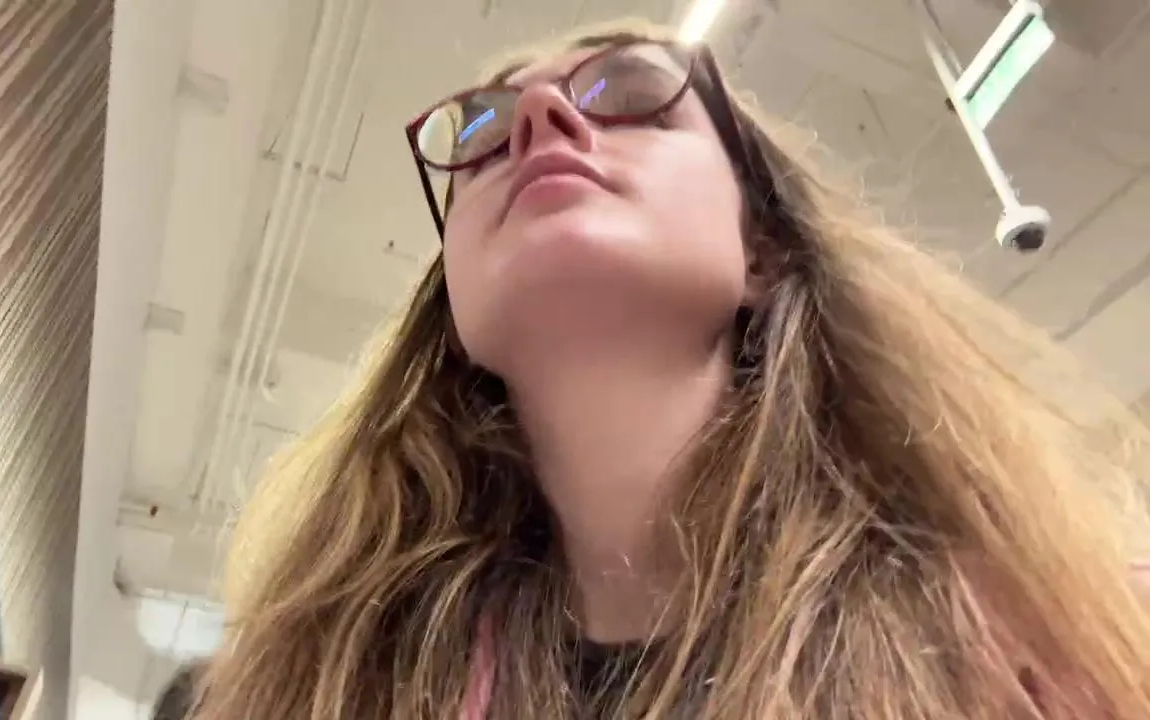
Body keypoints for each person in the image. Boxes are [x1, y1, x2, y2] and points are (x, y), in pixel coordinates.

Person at [194, 18, 1150, 719]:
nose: (538, 118)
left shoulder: (1044, 641)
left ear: (764, 248)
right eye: (479, 134)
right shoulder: (318, 684)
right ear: (453, 311)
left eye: (630, 93)